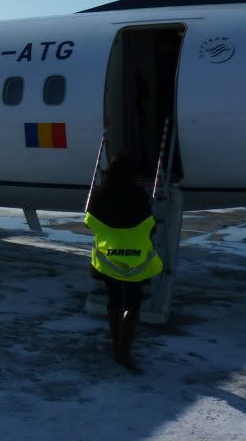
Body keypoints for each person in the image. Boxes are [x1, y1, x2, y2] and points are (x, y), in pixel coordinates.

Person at [85, 153, 163, 372]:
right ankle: (123, 352)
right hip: (134, 261)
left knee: (114, 301)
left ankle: (115, 346)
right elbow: (151, 226)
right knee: (132, 305)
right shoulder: (139, 196)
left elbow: (90, 223)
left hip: (108, 258)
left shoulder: (100, 194)